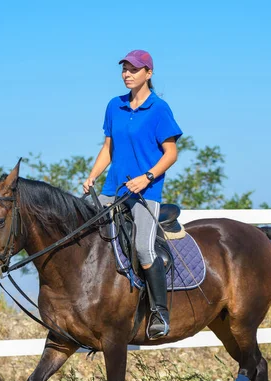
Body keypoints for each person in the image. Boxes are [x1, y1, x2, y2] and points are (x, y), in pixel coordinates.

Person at [83, 49, 182, 340]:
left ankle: (160, 313)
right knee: (84, 235)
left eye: (134, 70)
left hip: (145, 192)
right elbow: (108, 148)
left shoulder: (159, 109)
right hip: (112, 189)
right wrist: (93, 175)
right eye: (124, 69)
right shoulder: (115, 106)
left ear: (148, 74)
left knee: (142, 248)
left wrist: (147, 177)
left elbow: (171, 153)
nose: (127, 74)